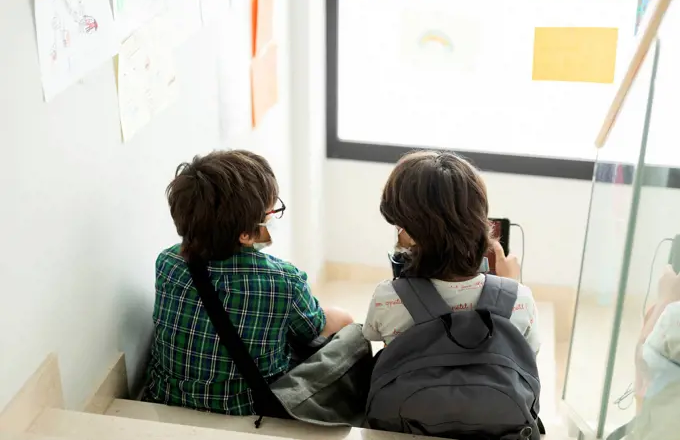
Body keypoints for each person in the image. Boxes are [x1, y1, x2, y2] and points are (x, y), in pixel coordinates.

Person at [143, 150, 353, 415]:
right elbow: (312, 329)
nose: (270, 217)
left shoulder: (168, 263)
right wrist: (343, 317)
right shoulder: (284, 280)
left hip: (165, 400)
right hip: (246, 410)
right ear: (245, 234)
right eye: (270, 212)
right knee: (347, 326)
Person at [362, 150, 540, 352]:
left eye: (398, 225)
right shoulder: (520, 299)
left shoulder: (387, 297)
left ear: (411, 233)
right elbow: (529, 355)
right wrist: (509, 286)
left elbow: (371, 334)